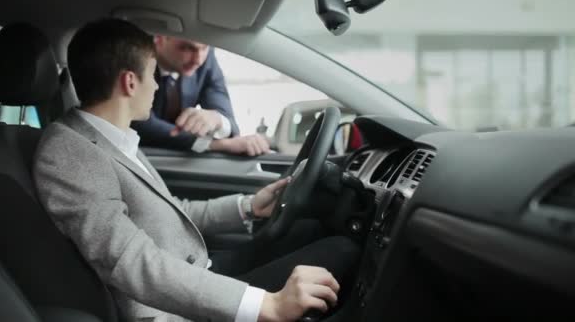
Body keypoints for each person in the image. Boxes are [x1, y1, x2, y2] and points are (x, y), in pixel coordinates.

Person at [33, 18, 359, 322]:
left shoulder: (116, 138)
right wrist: (267, 305)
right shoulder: (68, 151)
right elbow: (126, 259)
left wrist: (249, 207)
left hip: (197, 271)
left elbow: (175, 212)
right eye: (153, 75)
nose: (158, 87)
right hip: (169, 308)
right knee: (341, 250)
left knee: (310, 232)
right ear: (130, 82)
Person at [131, 35, 270, 156]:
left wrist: (216, 119)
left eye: (204, 48)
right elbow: (139, 123)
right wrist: (215, 145)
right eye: (186, 48)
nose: (198, 60)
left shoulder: (206, 60)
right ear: (159, 38)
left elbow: (228, 120)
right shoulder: (135, 57)